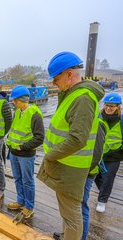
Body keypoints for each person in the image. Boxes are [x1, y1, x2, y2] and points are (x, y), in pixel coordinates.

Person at [37, 52, 104, 240]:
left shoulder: (82, 98)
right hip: (66, 164)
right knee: (68, 213)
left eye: (56, 78)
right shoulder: (72, 94)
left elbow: (77, 139)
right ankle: (67, 235)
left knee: (72, 214)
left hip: (70, 167)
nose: (53, 83)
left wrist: (50, 155)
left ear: (68, 75)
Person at [6, 85, 44, 218]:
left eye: (15, 100)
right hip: (14, 153)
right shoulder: (17, 111)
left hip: (25, 155)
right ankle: (21, 201)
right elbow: (14, 129)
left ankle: (29, 206)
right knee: (17, 178)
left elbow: (40, 138)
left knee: (27, 181)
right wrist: (10, 144)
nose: (13, 103)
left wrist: (23, 147)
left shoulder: (35, 114)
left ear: (22, 100)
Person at [94, 93, 123, 213]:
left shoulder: (121, 121)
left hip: (113, 157)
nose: (109, 108)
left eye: (112, 106)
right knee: (96, 177)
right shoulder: (98, 118)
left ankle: (102, 201)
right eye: (107, 105)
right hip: (98, 155)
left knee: (108, 179)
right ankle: (104, 191)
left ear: (118, 107)